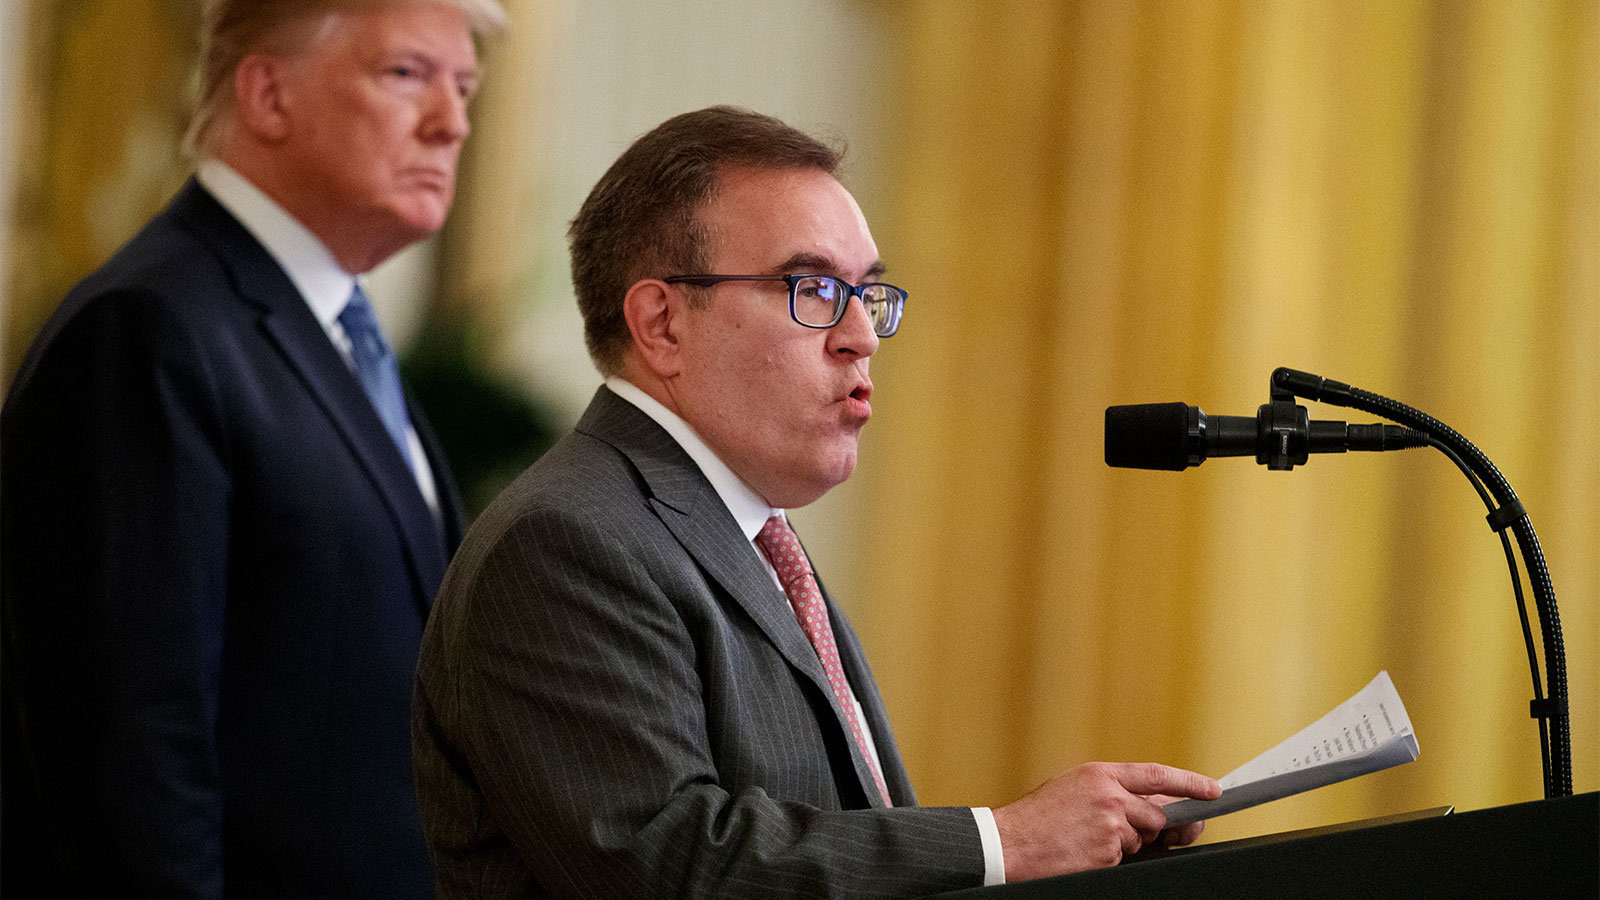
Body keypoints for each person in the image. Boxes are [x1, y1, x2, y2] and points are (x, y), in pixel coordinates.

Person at [411, 106, 1221, 899]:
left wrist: (1073, 853)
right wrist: (1005, 842)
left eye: (866, 293)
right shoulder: (569, 540)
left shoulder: (751, 534)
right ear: (661, 323)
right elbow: (666, 864)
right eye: (812, 288)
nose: (861, 336)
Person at [1, 0, 506, 896]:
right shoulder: (150, 330)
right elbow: (129, 757)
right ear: (268, 94)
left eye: (463, 86)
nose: (452, 120)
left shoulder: (338, 339)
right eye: (406, 75)